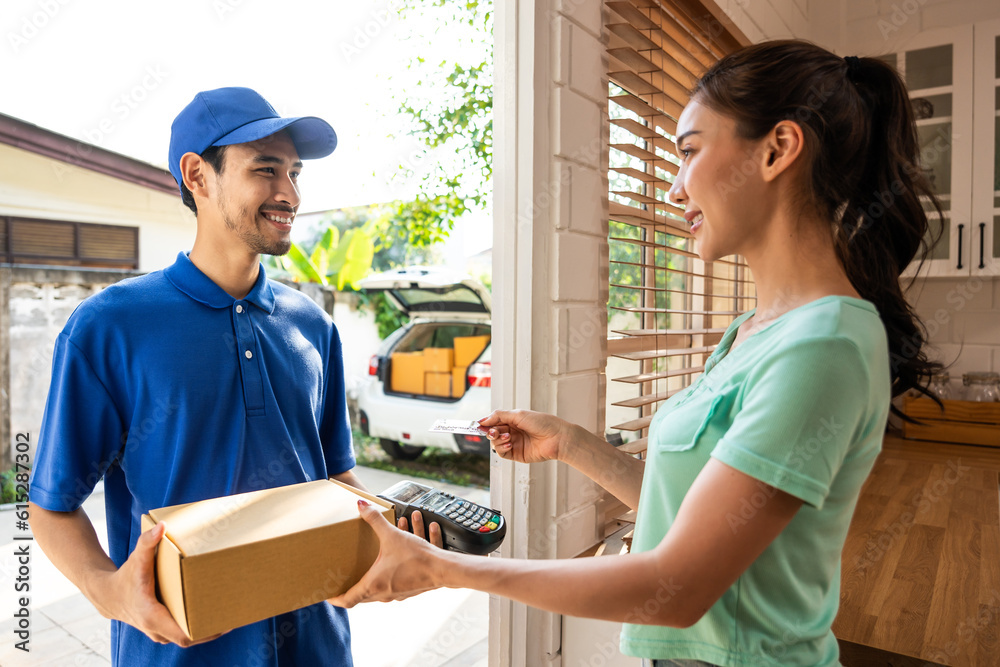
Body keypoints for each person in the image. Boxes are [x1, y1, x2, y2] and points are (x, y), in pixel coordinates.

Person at [327, 40, 944, 667]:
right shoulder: (751, 334)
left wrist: (444, 569)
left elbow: (675, 588)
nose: (674, 189)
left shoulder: (826, 345)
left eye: (690, 152)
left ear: (777, 149)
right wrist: (571, 443)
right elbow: (686, 517)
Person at [26, 87, 445, 666]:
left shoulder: (313, 326)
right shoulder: (110, 327)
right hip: (180, 651)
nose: (290, 193)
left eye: (296, 173)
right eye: (266, 170)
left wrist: (395, 535)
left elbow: (335, 478)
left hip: (319, 647)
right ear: (198, 175)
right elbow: (51, 504)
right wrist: (108, 592)